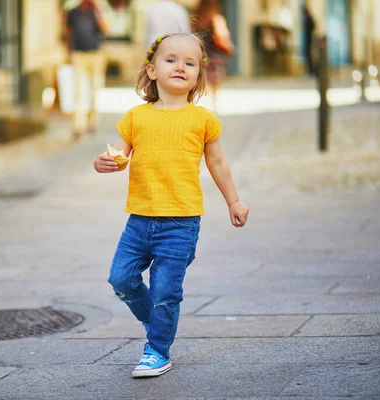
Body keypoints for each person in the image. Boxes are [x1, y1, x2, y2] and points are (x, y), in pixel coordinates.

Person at [93, 32, 249, 378]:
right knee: (121, 279)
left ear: (198, 75)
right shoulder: (136, 117)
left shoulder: (202, 120)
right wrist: (105, 162)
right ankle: (159, 322)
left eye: (189, 62)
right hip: (139, 220)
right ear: (151, 70)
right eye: (171, 59)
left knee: (166, 289)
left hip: (181, 222)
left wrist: (233, 201)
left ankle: (158, 349)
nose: (180, 66)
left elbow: (218, 164)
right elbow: (118, 155)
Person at [65, 0, 109, 139]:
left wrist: (97, 12)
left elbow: (105, 30)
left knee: (94, 87)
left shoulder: (96, 12)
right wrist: (68, 52)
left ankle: (93, 120)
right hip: (78, 54)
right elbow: (67, 32)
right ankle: (78, 124)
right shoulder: (73, 12)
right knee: (78, 89)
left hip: (95, 54)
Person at [192, 0, 235, 111]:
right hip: (214, 53)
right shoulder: (216, 17)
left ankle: (204, 101)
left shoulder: (195, 17)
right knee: (215, 79)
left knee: (202, 77)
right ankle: (213, 102)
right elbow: (223, 34)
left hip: (200, 51)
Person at [303, 5, 316, 76]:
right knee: (308, 56)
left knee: (310, 56)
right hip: (307, 40)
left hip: (310, 40)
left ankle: (311, 71)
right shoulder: (306, 19)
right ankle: (309, 70)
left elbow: (313, 26)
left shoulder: (310, 19)